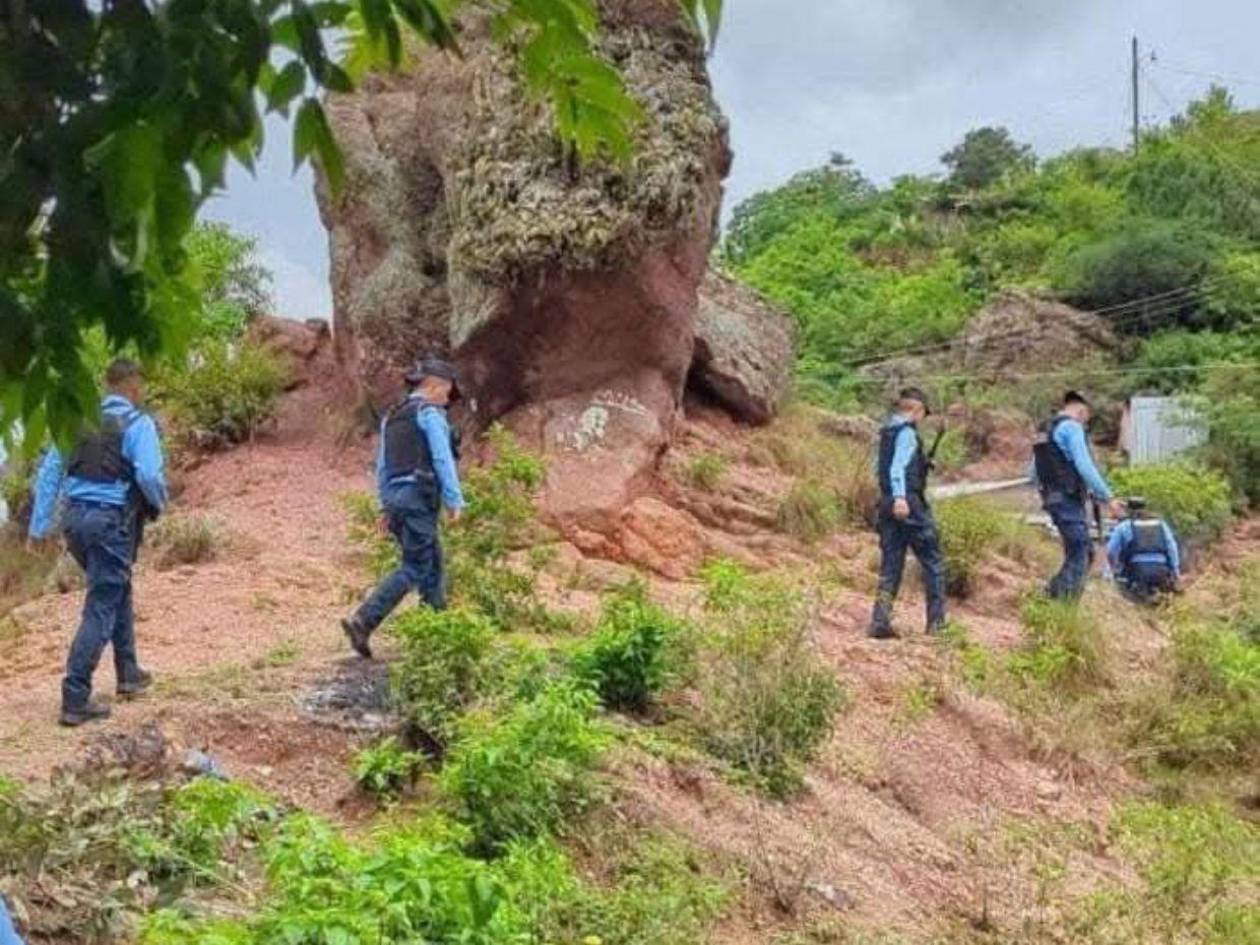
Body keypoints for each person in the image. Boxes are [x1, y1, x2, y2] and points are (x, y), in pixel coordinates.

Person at [27, 359, 167, 727]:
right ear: (134, 387)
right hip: (110, 523)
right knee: (102, 603)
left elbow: (49, 474)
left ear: (107, 385)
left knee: (115, 587)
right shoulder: (139, 423)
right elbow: (150, 474)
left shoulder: (76, 422)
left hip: (74, 522)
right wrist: (159, 504)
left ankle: (129, 673)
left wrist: (39, 529)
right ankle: (75, 697)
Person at [342, 357, 465, 658]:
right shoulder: (429, 413)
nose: (447, 400)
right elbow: (441, 458)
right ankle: (364, 620)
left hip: (397, 499)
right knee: (416, 566)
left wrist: (385, 507)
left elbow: (382, 467)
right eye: (447, 392)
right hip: (418, 497)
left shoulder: (392, 417)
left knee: (433, 563)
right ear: (436, 385)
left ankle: (436, 637)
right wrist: (453, 498)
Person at [868, 387, 947, 639]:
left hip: (886, 503)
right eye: (923, 414)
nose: (922, 419)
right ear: (916, 410)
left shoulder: (887, 432)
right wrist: (901, 497)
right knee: (932, 561)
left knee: (891, 563)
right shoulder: (907, 434)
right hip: (908, 504)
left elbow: (879, 468)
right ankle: (937, 625)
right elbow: (897, 468)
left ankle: (880, 621)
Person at [1031, 390, 1125, 600]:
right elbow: (1085, 465)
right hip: (1066, 499)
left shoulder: (1045, 431)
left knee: (1081, 550)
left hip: (1052, 499)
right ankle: (1055, 601)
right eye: (1087, 419)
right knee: (1081, 551)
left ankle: (1055, 599)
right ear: (1082, 411)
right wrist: (1108, 497)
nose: (1086, 424)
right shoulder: (1072, 428)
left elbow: (1033, 472)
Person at [1107, 497, 1181, 602]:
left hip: (1136, 572)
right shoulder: (1161, 524)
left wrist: (1112, 570)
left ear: (1128, 510)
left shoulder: (1123, 526)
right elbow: (1172, 547)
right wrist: (1175, 571)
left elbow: (1111, 551)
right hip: (1161, 571)